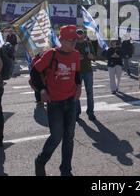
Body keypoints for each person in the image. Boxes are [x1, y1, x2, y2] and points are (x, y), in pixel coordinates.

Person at [31, 25, 81, 176]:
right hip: (55, 103)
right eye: (72, 40)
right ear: (63, 40)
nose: (74, 43)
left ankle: (66, 170)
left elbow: (77, 73)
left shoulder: (76, 54)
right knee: (56, 136)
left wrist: (79, 86)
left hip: (71, 101)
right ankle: (40, 161)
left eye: (75, 41)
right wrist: (42, 90)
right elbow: (34, 71)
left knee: (69, 137)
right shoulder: (51, 54)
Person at [75, 29, 96, 122]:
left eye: (81, 33)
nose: (80, 35)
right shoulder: (73, 44)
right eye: (78, 33)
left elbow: (94, 56)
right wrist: (77, 58)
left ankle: (90, 112)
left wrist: (92, 56)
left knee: (90, 93)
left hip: (88, 71)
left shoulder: (88, 44)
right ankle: (77, 113)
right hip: (77, 71)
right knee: (76, 93)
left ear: (84, 35)